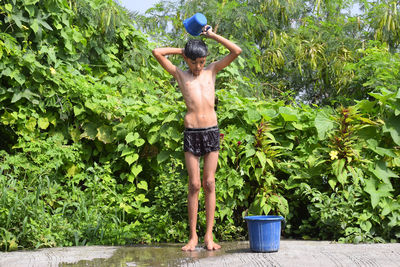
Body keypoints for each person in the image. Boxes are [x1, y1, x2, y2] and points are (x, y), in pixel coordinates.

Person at [152, 25, 242, 251]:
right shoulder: (180, 75)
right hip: (192, 133)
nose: (198, 66)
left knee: (209, 183)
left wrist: (211, 36)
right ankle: (192, 237)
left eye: (201, 61)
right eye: (194, 62)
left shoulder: (212, 70)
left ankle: (209, 236)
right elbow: (156, 52)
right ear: (187, 60)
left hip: (211, 131)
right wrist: (181, 51)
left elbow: (236, 51)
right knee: (194, 185)